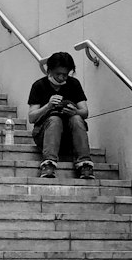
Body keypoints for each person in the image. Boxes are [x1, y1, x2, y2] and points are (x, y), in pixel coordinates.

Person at [27, 51, 94, 180]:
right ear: (50, 71)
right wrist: (48, 106)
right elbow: (31, 117)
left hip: (69, 136)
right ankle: (48, 163)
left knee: (76, 118)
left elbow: (85, 112)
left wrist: (74, 111)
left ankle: (84, 164)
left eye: (65, 75)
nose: (62, 78)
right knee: (54, 119)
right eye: (58, 74)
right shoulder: (39, 86)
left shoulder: (74, 84)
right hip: (46, 135)